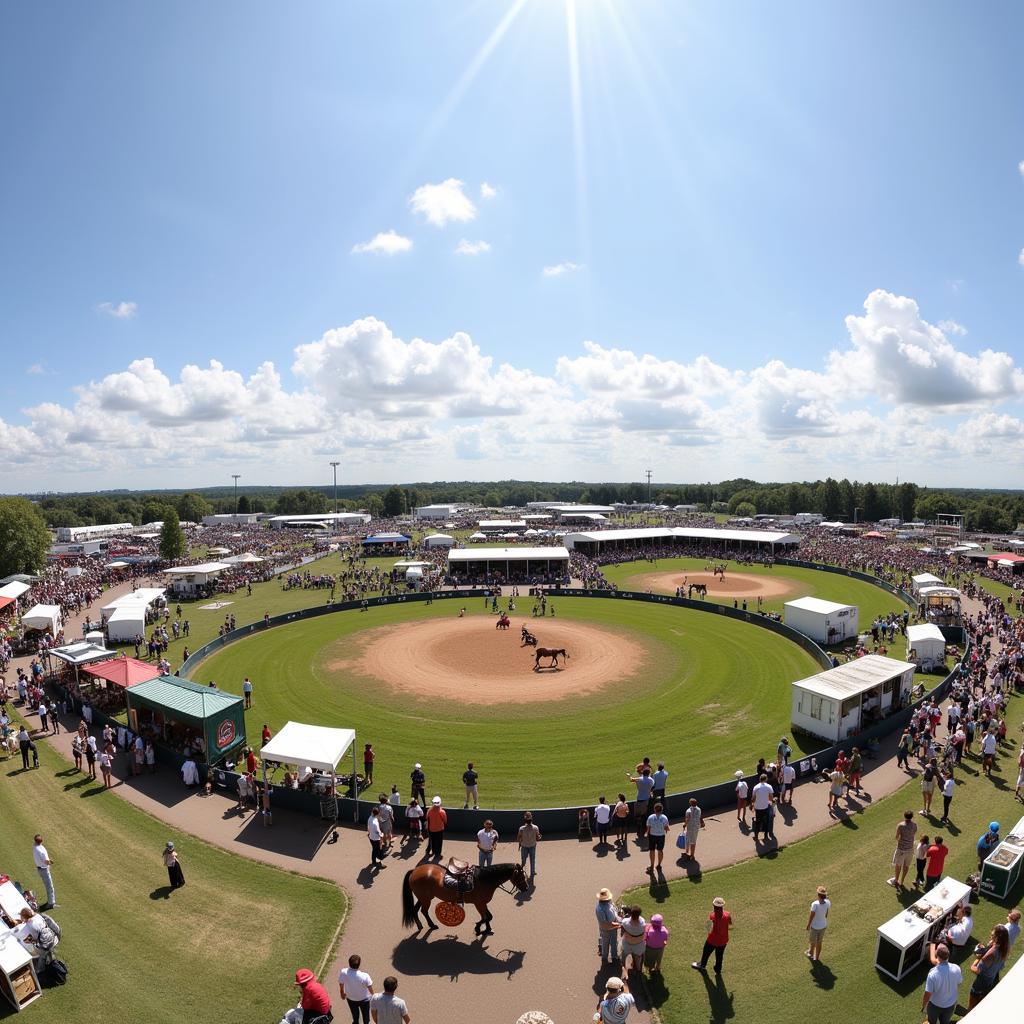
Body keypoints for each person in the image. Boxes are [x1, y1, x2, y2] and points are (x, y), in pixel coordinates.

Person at [969, 924, 1009, 1008]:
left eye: (992, 936)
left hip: (980, 983)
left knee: (972, 1005)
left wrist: (975, 962)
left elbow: (977, 970)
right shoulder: (1006, 948)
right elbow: (1001, 966)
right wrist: (987, 948)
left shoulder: (990, 954)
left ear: (997, 938)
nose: (990, 937)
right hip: (991, 981)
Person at [923, 943, 962, 1024]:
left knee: (931, 1022)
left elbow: (928, 993)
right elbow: (958, 983)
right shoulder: (956, 968)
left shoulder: (932, 973)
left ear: (937, 956)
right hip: (950, 1005)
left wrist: (924, 1006)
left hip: (935, 1005)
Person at [692, 896, 732, 973]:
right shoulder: (728, 914)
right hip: (723, 940)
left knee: (706, 953)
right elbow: (731, 926)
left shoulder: (712, 916)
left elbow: (709, 929)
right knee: (719, 956)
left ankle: (702, 965)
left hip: (712, 941)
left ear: (714, 906)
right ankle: (718, 969)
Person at [339, 954, 374, 1024]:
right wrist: (374, 996)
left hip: (351, 998)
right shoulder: (365, 976)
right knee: (366, 1016)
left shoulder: (343, 972)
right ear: (359, 964)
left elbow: (341, 984)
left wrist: (342, 993)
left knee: (355, 1015)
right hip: (365, 999)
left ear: (349, 963)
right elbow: (370, 987)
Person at [888, 811, 917, 888]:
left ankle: (896, 881)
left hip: (901, 849)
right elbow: (913, 834)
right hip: (910, 849)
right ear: (912, 816)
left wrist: (901, 840)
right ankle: (902, 881)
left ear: (904, 816)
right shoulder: (914, 825)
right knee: (906, 866)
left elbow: (897, 837)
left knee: (898, 865)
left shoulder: (901, 825)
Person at [627, 768, 656, 841]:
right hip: (646, 800)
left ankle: (639, 831)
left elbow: (631, 779)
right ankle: (644, 830)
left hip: (639, 798)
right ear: (648, 773)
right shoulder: (651, 780)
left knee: (639, 816)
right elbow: (652, 788)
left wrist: (629, 775)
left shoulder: (639, 779)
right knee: (644, 816)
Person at [595, 888, 621, 964]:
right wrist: (618, 924)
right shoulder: (601, 909)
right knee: (606, 943)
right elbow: (607, 923)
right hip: (607, 929)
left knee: (613, 942)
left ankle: (613, 956)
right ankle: (605, 958)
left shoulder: (606, 904)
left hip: (611, 928)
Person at [619, 905, 646, 973]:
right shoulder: (643, 922)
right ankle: (638, 971)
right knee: (638, 959)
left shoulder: (625, 922)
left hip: (627, 944)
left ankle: (623, 967)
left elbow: (621, 933)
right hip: (639, 945)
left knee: (624, 955)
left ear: (631, 913)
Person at [805, 886, 830, 961]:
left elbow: (811, 916)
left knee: (813, 942)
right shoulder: (828, 902)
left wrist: (808, 925)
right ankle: (817, 957)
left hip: (815, 926)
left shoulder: (814, 904)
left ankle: (811, 954)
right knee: (819, 942)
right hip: (823, 925)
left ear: (818, 895)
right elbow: (826, 914)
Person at [32, 835, 56, 908]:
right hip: (44, 869)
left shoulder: (34, 847)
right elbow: (46, 861)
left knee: (48, 886)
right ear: (41, 841)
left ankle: (50, 902)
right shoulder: (41, 850)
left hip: (40, 868)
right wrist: (50, 862)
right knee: (49, 887)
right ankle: (50, 903)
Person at [645, 803, 670, 872]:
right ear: (662, 810)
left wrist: (647, 834)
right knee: (660, 850)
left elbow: (648, 828)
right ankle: (659, 865)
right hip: (661, 836)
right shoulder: (664, 818)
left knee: (652, 850)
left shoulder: (650, 817)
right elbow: (667, 828)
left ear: (654, 809)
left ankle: (652, 866)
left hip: (652, 836)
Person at [517, 811, 541, 882]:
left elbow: (537, 837)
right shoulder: (522, 828)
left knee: (532, 860)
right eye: (527, 816)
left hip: (532, 846)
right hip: (525, 846)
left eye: (529, 816)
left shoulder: (535, 827)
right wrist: (520, 841)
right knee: (524, 860)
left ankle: (532, 872)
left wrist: (538, 837)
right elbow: (518, 838)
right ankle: (521, 871)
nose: (528, 817)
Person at [750, 773, 774, 842]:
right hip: (766, 807)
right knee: (766, 822)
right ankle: (765, 837)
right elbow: (771, 798)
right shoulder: (769, 786)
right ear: (766, 779)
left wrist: (752, 805)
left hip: (758, 808)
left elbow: (753, 798)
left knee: (758, 822)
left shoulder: (756, 787)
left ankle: (756, 836)